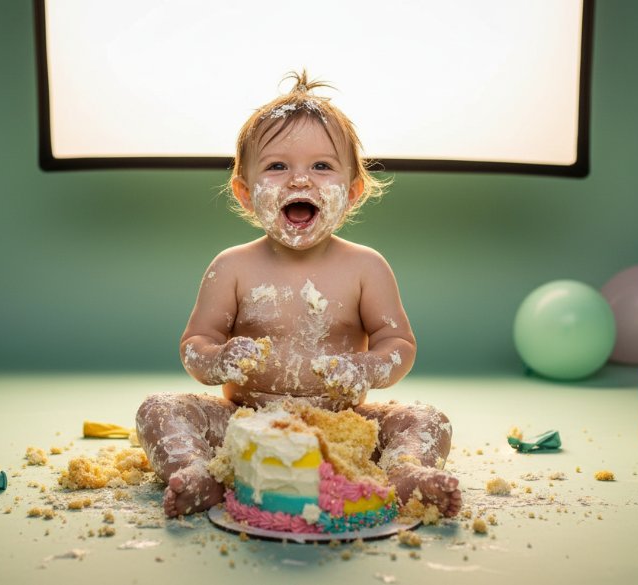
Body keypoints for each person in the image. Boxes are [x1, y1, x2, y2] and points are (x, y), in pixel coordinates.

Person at [136, 71, 460, 519]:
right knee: (159, 409)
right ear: (245, 193)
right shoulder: (231, 267)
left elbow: (398, 344)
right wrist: (219, 359)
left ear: (352, 192)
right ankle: (197, 471)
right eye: (277, 166)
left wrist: (366, 367)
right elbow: (195, 345)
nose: (300, 181)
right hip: (244, 426)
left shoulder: (366, 268)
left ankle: (405, 470)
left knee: (426, 419)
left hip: (345, 429)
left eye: (321, 166)